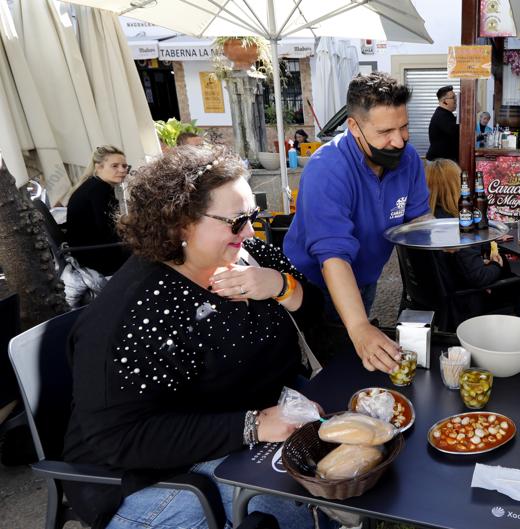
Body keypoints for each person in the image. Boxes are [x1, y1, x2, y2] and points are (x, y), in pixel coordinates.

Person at [63, 145, 327, 529]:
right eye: (235, 221)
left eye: (252, 216)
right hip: (146, 476)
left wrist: (281, 286)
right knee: (289, 505)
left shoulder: (251, 254)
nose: (250, 231)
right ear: (179, 223)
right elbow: (118, 438)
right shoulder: (135, 312)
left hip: (248, 425)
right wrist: (252, 425)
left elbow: (316, 312)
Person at [284, 72, 432, 374]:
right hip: (314, 282)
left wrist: (455, 241)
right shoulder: (327, 169)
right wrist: (360, 326)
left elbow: (418, 218)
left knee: (354, 353)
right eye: (385, 131)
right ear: (354, 126)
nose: (398, 140)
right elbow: (332, 256)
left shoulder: (409, 159)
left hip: (366, 274)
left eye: (404, 127)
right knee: (327, 362)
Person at [426, 159, 520, 317]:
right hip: (462, 301)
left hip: (430, 294)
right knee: (516, 283)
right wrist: (496, 264)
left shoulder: (427, 221)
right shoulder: (459, 226)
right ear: (458, 186)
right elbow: (478, 277)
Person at [66, 145, 131, 276]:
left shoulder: (95, 185)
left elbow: (106, 221)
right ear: (98, 167)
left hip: (89, 251)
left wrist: (126, 220)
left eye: (124, 166)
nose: (122, 170)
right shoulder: (98, 190)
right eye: (115, 166)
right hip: (97, 256)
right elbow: (106, 229)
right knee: (155, 250)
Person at [427, 85, 459, 162]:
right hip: (439, 163)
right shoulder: (441, 116)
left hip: (444, 162)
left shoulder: (447, 114)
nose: (456, 100)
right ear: (445, 101)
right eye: (453, 98)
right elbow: (458, 131)